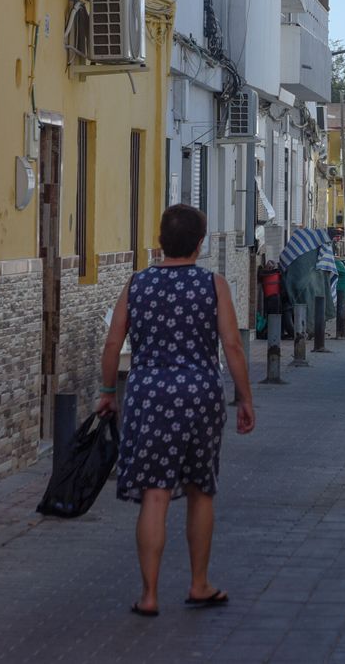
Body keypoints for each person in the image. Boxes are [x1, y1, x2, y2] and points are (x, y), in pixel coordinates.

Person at [96, 204, 255, 618]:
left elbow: (113, 344)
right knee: (201, 490)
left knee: (155, 492)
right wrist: (246, 398)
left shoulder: (137, 285)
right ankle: (199, 583)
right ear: (200, 244)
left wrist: (109, 390)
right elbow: (232, 346)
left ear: (161, 240)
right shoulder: (213, 285)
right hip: (200, 395)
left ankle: (148, 595)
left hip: (148, 397)